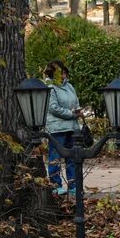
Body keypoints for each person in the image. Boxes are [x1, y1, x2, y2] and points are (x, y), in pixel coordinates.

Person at [43, 61, 81, 196]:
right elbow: (53, 108)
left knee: (72, 157)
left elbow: (76, 103)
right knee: (55, 157)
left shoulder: (70, 86)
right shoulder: (50, 87)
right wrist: (71, 114)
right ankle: (55, 185)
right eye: (61, 73)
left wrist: (77, 111)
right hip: (57, 128)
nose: (63, 76)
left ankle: (73, 185)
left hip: (71, 127)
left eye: (65, 73)